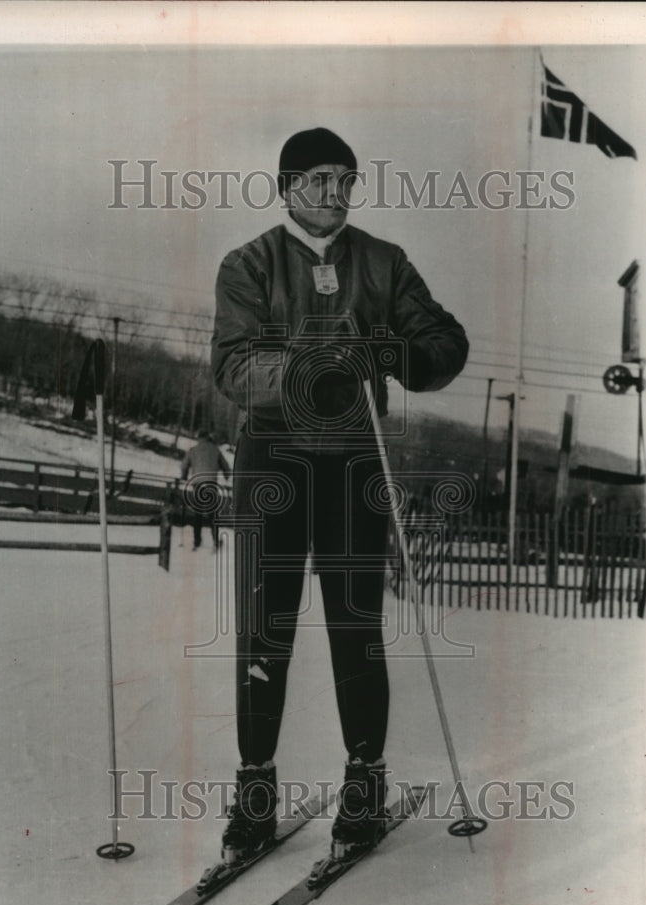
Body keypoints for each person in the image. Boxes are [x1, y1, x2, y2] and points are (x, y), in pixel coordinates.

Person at [211, 127, 468, 864]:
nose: (333, 193)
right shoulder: (248, 264)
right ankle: (254, 793)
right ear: (287, 187)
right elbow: (232, 364)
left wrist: (390, 353)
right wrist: (312, 370)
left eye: (345, 180)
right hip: (275, 458)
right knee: (266, 627)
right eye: (318, 179)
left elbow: (444, 342)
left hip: (356, 459)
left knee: (355, 623)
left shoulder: (383, 263)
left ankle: (364, 786)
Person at [179, 430, 232, 550]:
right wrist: (227, 476)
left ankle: (196, 541)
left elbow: (184, 465)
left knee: (197, 513)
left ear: (199, 438)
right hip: (211, 485)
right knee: (212, 514)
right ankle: (215, 541)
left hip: (198, 485)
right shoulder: (216, 450)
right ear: (208, 438)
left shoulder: (193, 450)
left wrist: (184, 475)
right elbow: (226, 467)